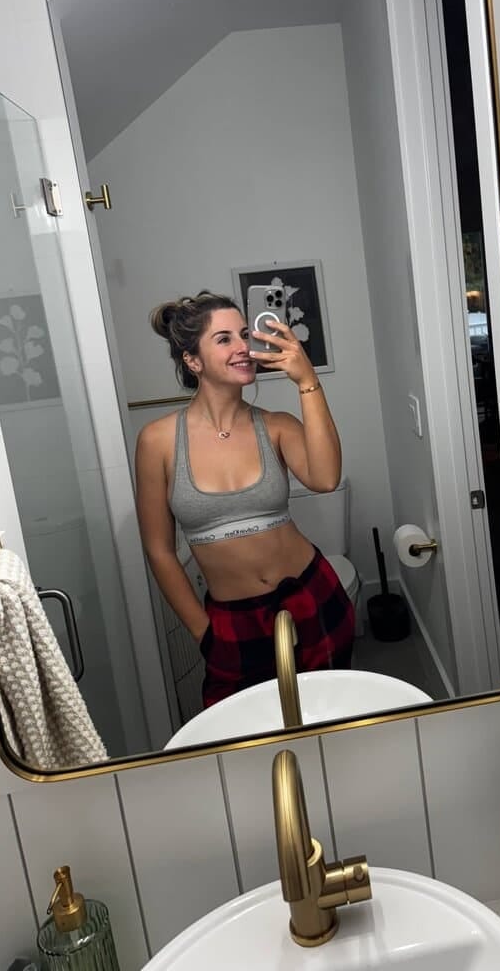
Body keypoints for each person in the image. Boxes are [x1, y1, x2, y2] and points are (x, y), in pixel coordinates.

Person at [134, 290, 354, 708]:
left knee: (331, 719)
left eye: (244, 334)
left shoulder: (277, 426)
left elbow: (326, 479)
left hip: (313, 598)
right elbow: (158, 550)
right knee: (248, 732)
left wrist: (307, 381)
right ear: (192, 360)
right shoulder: (157, 441)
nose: (243, 347)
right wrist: (203, 632)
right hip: (232, 622)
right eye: (224, 339)